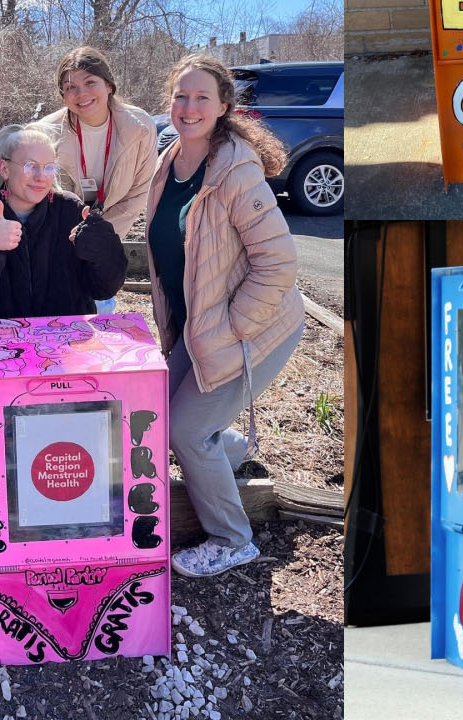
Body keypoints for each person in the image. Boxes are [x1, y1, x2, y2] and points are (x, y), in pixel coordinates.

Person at [146, 54, 304, 578]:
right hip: (199, 325)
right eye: (180, 97)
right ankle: (231, 448)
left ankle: (233, 539)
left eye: (201, 99)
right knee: (152, 412)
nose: (189, 108)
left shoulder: (236, 169)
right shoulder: (169, 161)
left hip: (253, 327)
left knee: (185, 432)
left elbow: (278, 265)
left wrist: (233, 328)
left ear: (223, 107)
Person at [0, 124, 127, 321]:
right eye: (30, 166)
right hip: (6, 345)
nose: (41, 177)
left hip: (68, 342)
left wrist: (103, 247)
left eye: (49, 168)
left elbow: (105, 289)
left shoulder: (71, 212)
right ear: (4, 169)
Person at [36, 48, 157, 315]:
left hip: (107, 240)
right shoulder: (45, 132)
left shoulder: (141, 127)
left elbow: (139, 192)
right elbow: (42, 197)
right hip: (59, 242)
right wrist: (73, 240)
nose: (82, 93)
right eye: (70, 87)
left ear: (109, 85)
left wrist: (100, 239)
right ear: (62, 95)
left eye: (90, 82)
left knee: (100, 317)